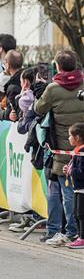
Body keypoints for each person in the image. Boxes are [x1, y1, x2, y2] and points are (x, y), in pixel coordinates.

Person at [35, 50, 84, 246]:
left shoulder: (53, 89)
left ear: (58, 66)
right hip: (80, 144)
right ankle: (70, 231)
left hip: (63, 147)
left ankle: (67, 230)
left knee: (65, 191)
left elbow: (38, 109)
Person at [63, 122, 84, 249]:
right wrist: (68, 169)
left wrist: (72, 171)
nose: (68, 138)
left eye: (70, 136)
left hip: (82, 188)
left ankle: (82, 237)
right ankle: (80, 235)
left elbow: (82, 172)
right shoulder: (77, 151)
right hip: (77, 188)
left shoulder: (82, 152)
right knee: (76, 213)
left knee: (81, 213)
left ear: (77, 138)